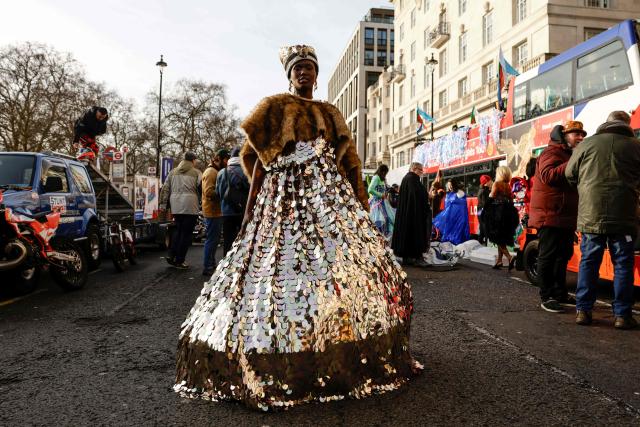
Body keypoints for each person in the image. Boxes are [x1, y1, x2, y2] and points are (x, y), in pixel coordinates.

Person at [174, 45, 420, 411]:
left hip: (327, 203)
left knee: (331, 271)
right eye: (298, 68)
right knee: (281, 273)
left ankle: (331, 339)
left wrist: (359, 208)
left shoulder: (329, 112)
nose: (304, 73)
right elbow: (255, 162)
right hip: (282, 203)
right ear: (289, 75)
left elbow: (350, 164)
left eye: (309, 68)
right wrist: (251, 210)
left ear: (317, 75)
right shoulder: (274, 108)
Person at [566, 111, 640, 329]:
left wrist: (586, 189)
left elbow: (570, 174)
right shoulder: (636, 146)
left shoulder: (586, 145)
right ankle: (622, 315)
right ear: (626, 124)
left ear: (606, 123)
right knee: (623, 265)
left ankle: (583, 311)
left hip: (591, 214)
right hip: (624, 215)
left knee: (589, 262)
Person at [529, 123, 583, 313]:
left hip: (565, 216)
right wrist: (572, 163)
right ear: (565, 135)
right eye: (576, 134)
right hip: (550, 214)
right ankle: (547, 296)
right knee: (548, 256)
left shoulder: (569, 154)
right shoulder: (551, 153)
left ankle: (560, 293)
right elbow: (548, 175)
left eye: (582, 135)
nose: (580, 138)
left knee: (563, 256)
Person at [159, 151, 202, 269]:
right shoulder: (196, 173)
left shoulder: (172, 172)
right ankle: (180, 260)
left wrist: (163, 205)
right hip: (190, 206)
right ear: (193, 161)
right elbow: (201, 189)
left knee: (178, 231)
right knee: (186, 234)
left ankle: (171, 254)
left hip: (176, 206)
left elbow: (165, 189)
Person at [392, 162, 431, 267]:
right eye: (420, 170)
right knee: (415, 234)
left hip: (407, 214)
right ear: (414, 169)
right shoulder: (413, 179)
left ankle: (407, 257)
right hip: (414, 214)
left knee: (407, 234)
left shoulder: (406, 179)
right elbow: (417, 196)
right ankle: (417, 257)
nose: (422, 173)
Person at [201, 149, 230, 276]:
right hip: (212, 211)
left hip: (215, 211)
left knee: (214, 239)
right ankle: (208, 267)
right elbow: (208, 192)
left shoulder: (214, 171)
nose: (227, 162)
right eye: (226, 159)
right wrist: (224, 192)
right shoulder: (211, 172)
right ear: (220, 158)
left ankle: (211, 264)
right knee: (212, 240)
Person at [484, 166, 519, 270]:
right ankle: (499, 261)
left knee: (497, 237)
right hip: (507, 213)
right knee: (501, 237)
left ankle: (510, 257)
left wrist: (486, 205)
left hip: (497, 214)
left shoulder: (497, 184)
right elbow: (511, 200)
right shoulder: (507, 186)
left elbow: (492, 196)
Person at [216, 147, 249, 255]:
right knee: (243, 240)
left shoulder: (221, 172)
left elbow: (218, 193)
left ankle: (226, 265)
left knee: (228, 241)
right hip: (242, 212)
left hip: (226, 212)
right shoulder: (246, 171)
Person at [432, 179, 470, 245]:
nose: (450, 187)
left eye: (451, 185)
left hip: (459, 217)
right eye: (448, 185)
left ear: (454, 185)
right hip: (450, 216)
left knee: (458, 232)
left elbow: (463, 205)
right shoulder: (448, 194)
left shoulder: (459, 192)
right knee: (450, 231)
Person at [368, 164, 395, 240]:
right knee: (380, 220)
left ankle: (384, 239)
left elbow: (386, 188)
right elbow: (370, 189)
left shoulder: (382, 179)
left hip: (383, 202)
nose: (385, 174)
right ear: (382, 171)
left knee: (388, 219)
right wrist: (381, 195)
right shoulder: (376, 177)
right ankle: (378, 238)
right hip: (377, 204)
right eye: (385, 172)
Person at [477, 174, 493, 245]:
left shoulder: (483, 190)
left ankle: (480, 243)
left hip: (480, 211)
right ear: (486, 182)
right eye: (490, 180)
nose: (491, 181)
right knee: (485, 229)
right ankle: (486, 244)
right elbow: (485, 203)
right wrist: (491, 197)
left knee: (482, 229)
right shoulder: (483, 191)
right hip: (483, 211)